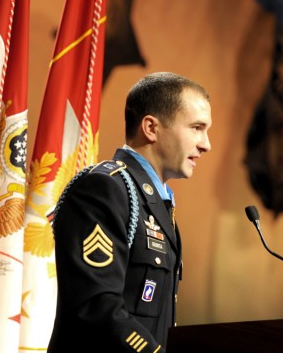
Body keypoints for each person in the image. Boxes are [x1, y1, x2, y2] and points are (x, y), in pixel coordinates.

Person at [48, 71, 212, 352]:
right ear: (151, 127)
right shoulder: (104, 187)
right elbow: (95, 306)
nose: (206, 144)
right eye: (196, 128)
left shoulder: (155, 202)